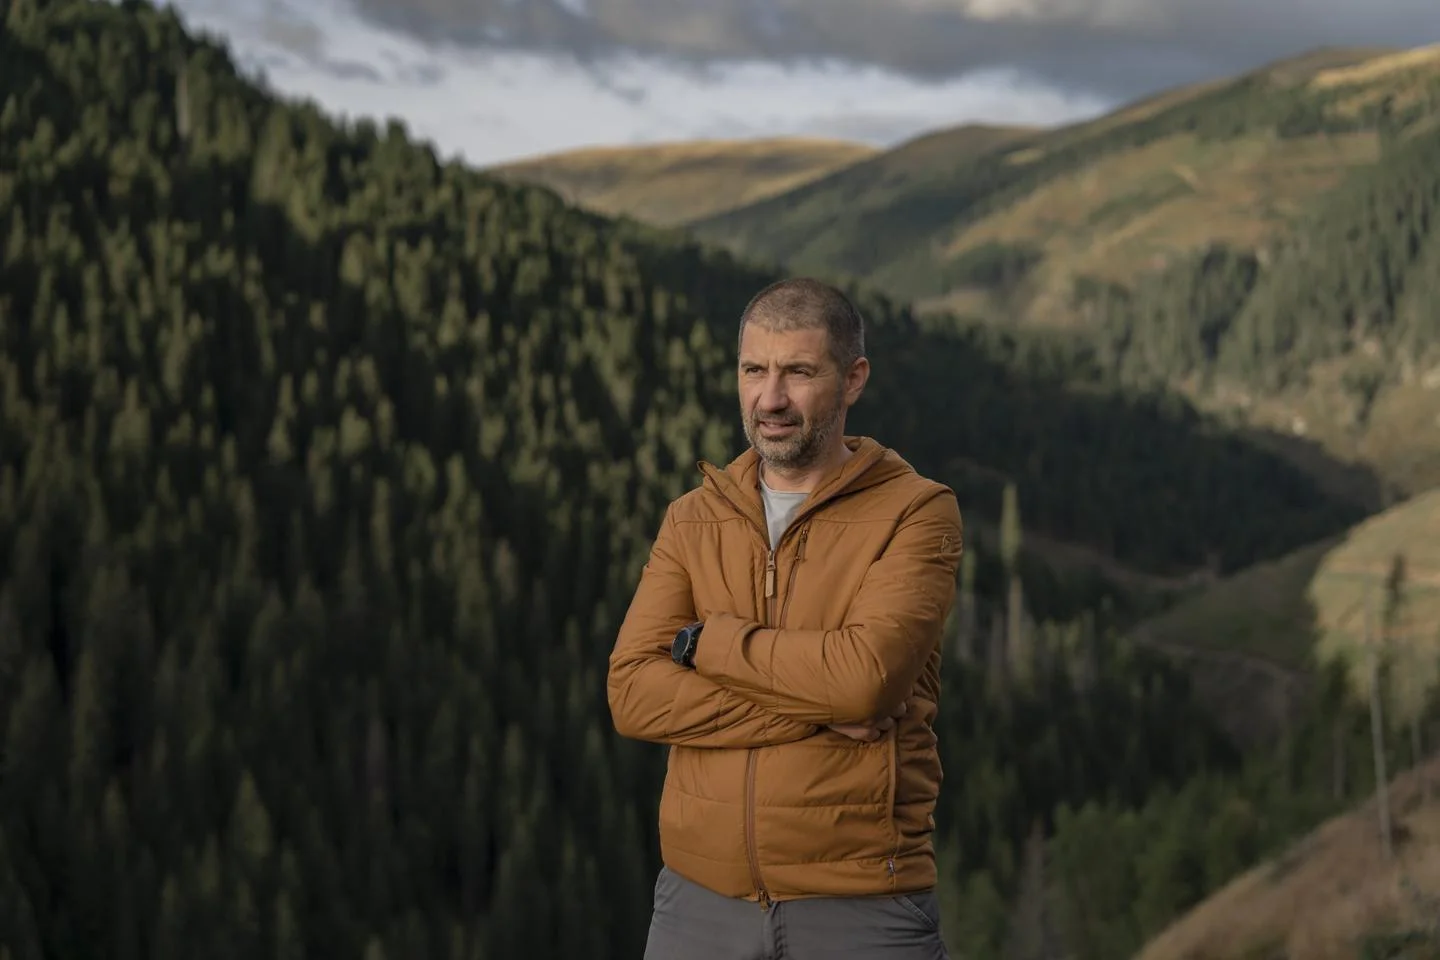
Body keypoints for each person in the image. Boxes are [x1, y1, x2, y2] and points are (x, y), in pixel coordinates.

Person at [607, 276, 964, 959]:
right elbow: (632, 694)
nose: (770, 399)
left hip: (861, 905)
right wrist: (820, 707)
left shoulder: (916, 512)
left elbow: (865, 684)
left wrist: (707, 644)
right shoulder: (694, 517)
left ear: (854, 378)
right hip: (695, 905)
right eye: (754, 371)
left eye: (798, 372)